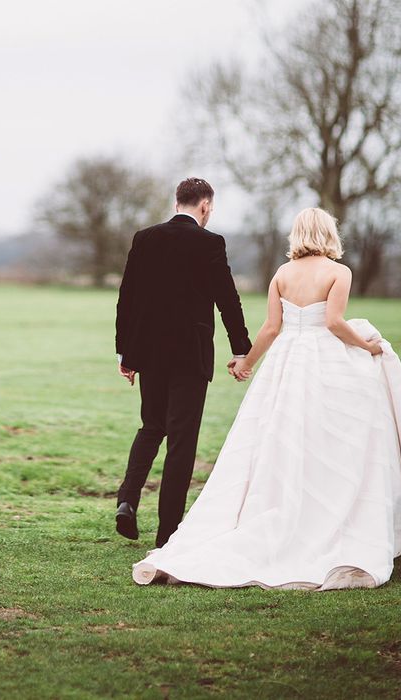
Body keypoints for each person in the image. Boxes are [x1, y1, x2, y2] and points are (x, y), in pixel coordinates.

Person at [132, 207, 401, 590]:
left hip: (285, 364)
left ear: (297, 234)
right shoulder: (338, 272)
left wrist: (246, 362)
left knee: (278, 438)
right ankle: (326, 516)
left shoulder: (282, 274)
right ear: (330, 234)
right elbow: (333, 322)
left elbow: (271, 328)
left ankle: (283, 509)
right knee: (329, 440)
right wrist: (366, 347)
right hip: (325, 362)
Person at [114, 177, 252, 548]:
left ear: (177, 203)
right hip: (190, 354)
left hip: (150, 353)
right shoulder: (210, 243)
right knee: (181, 441)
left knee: (151, 425)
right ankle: (167, 534)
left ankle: (127, 499)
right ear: (205, 206)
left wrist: (124, 353)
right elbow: (228, 299)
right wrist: (242, 349)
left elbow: (127, 298)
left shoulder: (145, 238)